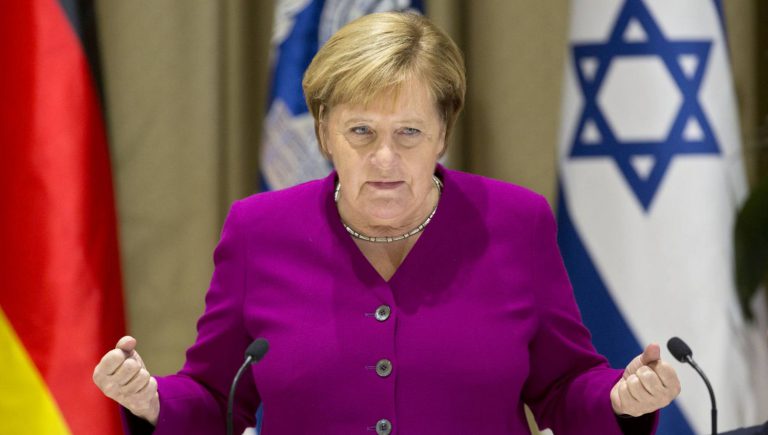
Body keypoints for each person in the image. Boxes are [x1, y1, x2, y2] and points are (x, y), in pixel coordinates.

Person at [93, 11, 680, 434]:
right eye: (360, 132)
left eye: (409, 133)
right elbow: (215, 396)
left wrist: (623, 398)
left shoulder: (514, 223)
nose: (384, 159)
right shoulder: (259, 231)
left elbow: (563, 387)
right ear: (324, 132)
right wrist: (151, 400)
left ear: (443, 133)